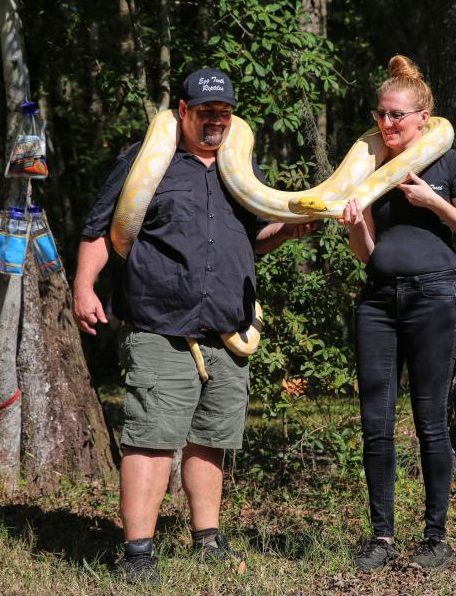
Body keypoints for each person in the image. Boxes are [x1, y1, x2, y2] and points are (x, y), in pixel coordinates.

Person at [73, 67, 314, 584]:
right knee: (152, 436)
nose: (217, 122)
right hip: (160, 323)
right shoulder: (145, 162)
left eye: (224, 113)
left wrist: (291, 230)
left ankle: (208, 539)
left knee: (212, 437)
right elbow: (98, 229)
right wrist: (84, 287)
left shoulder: (240, 168)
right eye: (206, 112)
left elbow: (256, 239)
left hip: (228, 327)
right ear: (181, 111)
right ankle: (138, 553)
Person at [340, 55, 456, 572]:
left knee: (430, 420)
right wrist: (357, 222)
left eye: (397, 116)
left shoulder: (450, 162)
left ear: (424, 117)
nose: (386, 124)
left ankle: (435, 537)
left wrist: (434, 203)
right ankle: (381, 537)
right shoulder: (369, 166)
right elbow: (367, 253)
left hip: (435, 296)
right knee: (375, 422)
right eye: (381, 114)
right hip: (379, 300)